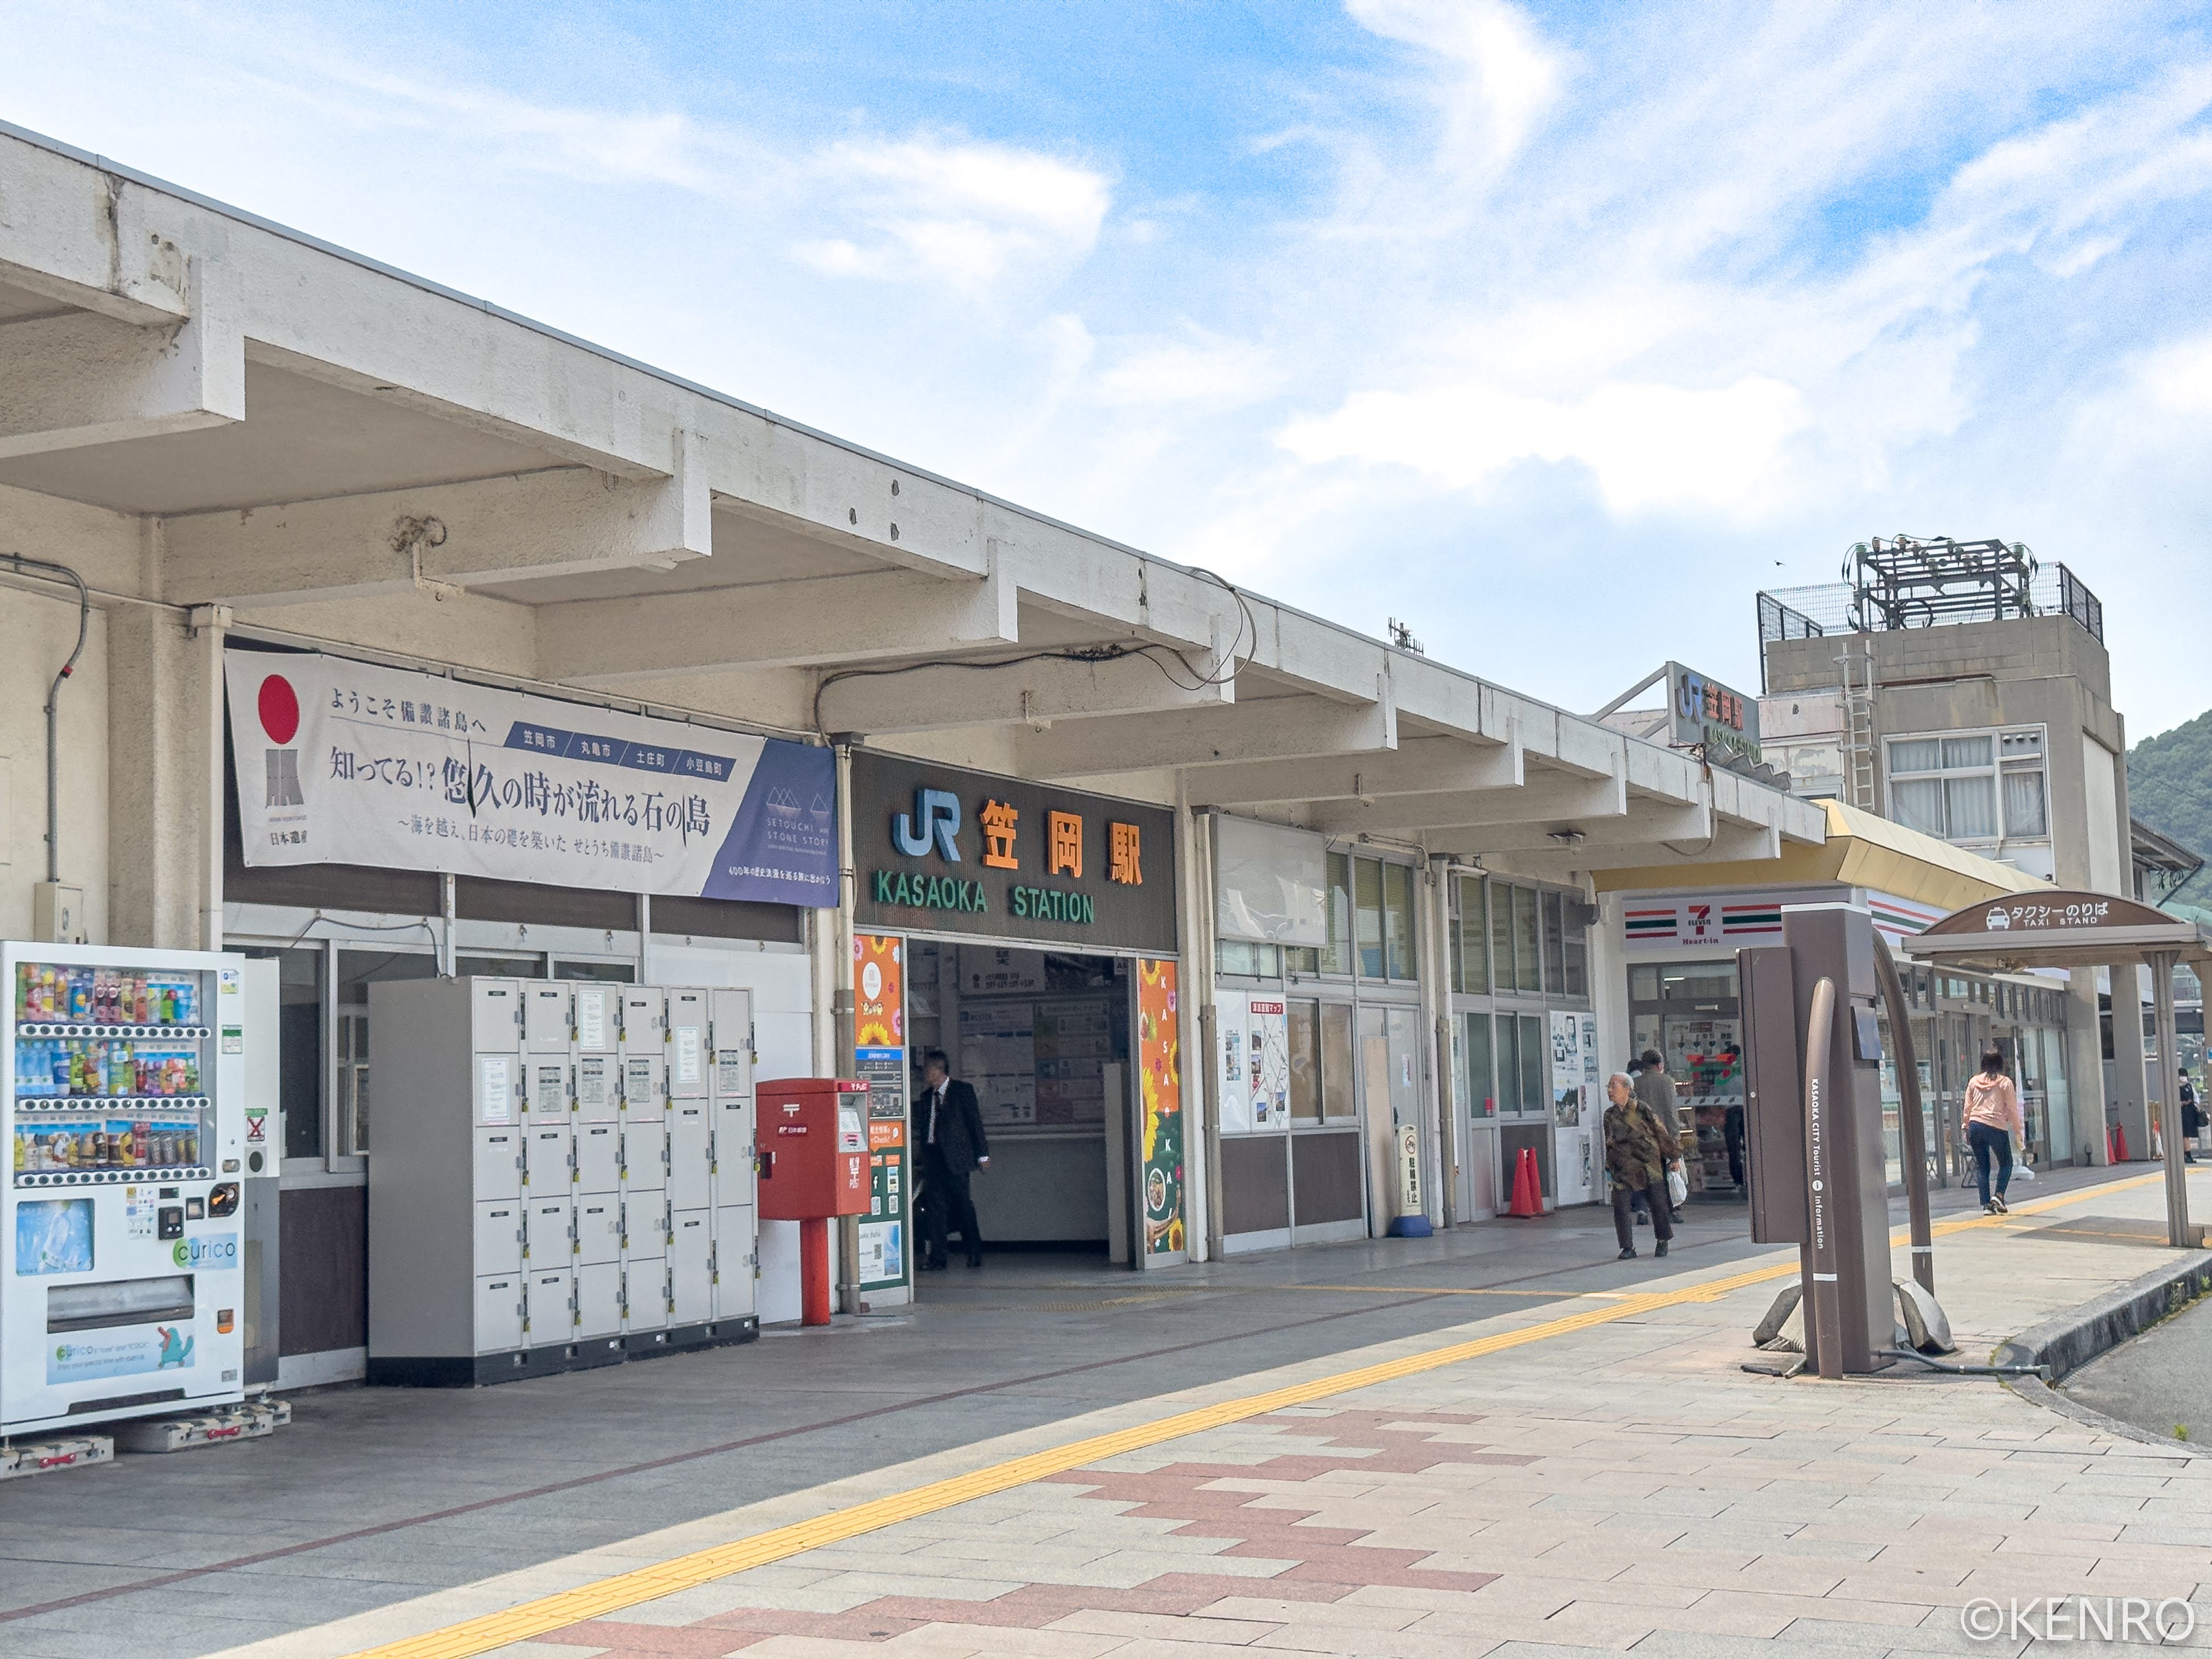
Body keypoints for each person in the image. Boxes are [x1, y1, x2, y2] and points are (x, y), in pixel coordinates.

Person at [914, 1048, 989, 1269]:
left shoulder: (962, 1092)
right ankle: (938, 1258)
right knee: (936, 1208)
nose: (924, 1074)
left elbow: (975, 1124)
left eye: (927, 1069)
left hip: (957, 1159)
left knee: (963, 1205)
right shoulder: (926, 1097)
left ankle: (974, 1251)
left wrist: (982, 1154)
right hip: (933, 1158)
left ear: (938, 1070)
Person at [1603, 1072, 1681, 1261]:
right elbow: (1610, 1142)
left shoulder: (1642, 1109)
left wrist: (1674, 1157)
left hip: (1648, 1164)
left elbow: (1660, 1132)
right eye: (1609, 1086)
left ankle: (1663, 1239)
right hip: (1623, 1167)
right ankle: (1627, 1247)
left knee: (1658, 1205)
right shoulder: (1609, 1115)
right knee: (1620, 1207)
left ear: (1628, 1089)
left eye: (1614, 1086)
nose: (1610, 1090)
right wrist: (1610, 1166)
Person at [1963, 1047, 2023, 1215]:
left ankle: (1986, 1206)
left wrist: (1965, 1126)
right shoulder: (2005, 1083)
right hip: (1996, 1126)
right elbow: (2012, 1108)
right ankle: (1998, 1196)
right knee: (2006, 1163)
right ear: (2000, 1064)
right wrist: (2018, 1130)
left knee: (1983, 1168)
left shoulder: (1974, 1082)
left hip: (1975, 1125)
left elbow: (1968, 1106)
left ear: (1983, 1063)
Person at [1633, 1049, 1686, 1221]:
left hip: (1641, 1134)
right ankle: (1669, 1211)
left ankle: (1642, 1211)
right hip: (1661, 1135)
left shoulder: (1635, 1083)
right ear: (1659, 1064)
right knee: (1664, 1173)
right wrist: (1675, 1137)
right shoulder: (1667, 1082)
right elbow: (1671, 1112)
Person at [2181, 1068, 2201, 1165]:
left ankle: (2187, 1155)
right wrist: (2182, 1103)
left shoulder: (2189, 1086)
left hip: (2189, 1114)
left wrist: (2196, 1106)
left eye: (2184, 1075)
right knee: (2184, 1135)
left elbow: (2196, 1098)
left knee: (2186, 1136)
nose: (2183, 1077)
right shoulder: (2174, 1087)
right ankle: (2187, 1155)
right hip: (2181, 1114)